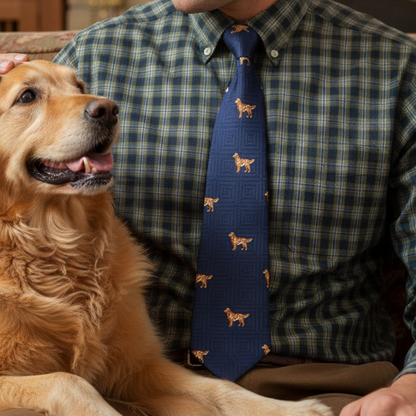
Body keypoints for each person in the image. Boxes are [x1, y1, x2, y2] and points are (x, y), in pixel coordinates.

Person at [1, 0, 416, 414]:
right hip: (140, 393)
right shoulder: (98, 53)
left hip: (328, 391)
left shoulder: (396, 67)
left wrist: (410, 389)